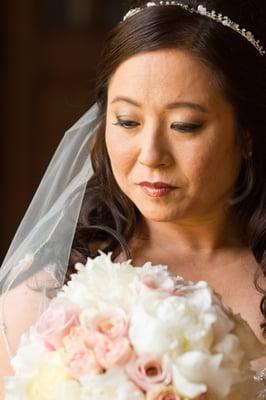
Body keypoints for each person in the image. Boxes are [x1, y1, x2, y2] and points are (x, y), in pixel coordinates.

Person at [0, 0, 265, 398]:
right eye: (127, 122)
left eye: (184, 125)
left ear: (246, 135)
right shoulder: (48, 287)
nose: (151, 154)